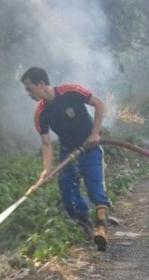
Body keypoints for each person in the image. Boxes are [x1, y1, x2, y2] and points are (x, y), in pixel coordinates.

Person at [21, 66, 111, 251]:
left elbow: (99, 103)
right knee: (67, 193)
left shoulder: (70, 91)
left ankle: (101, 228)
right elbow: (46, 145)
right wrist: (45, 170)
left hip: (89, 146)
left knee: (95, 190)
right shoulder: (40, 114)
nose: (28, 93)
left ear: (41, 84)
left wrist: (95, 134)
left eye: (29, 88)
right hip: (68, 150)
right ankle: (85, 223)